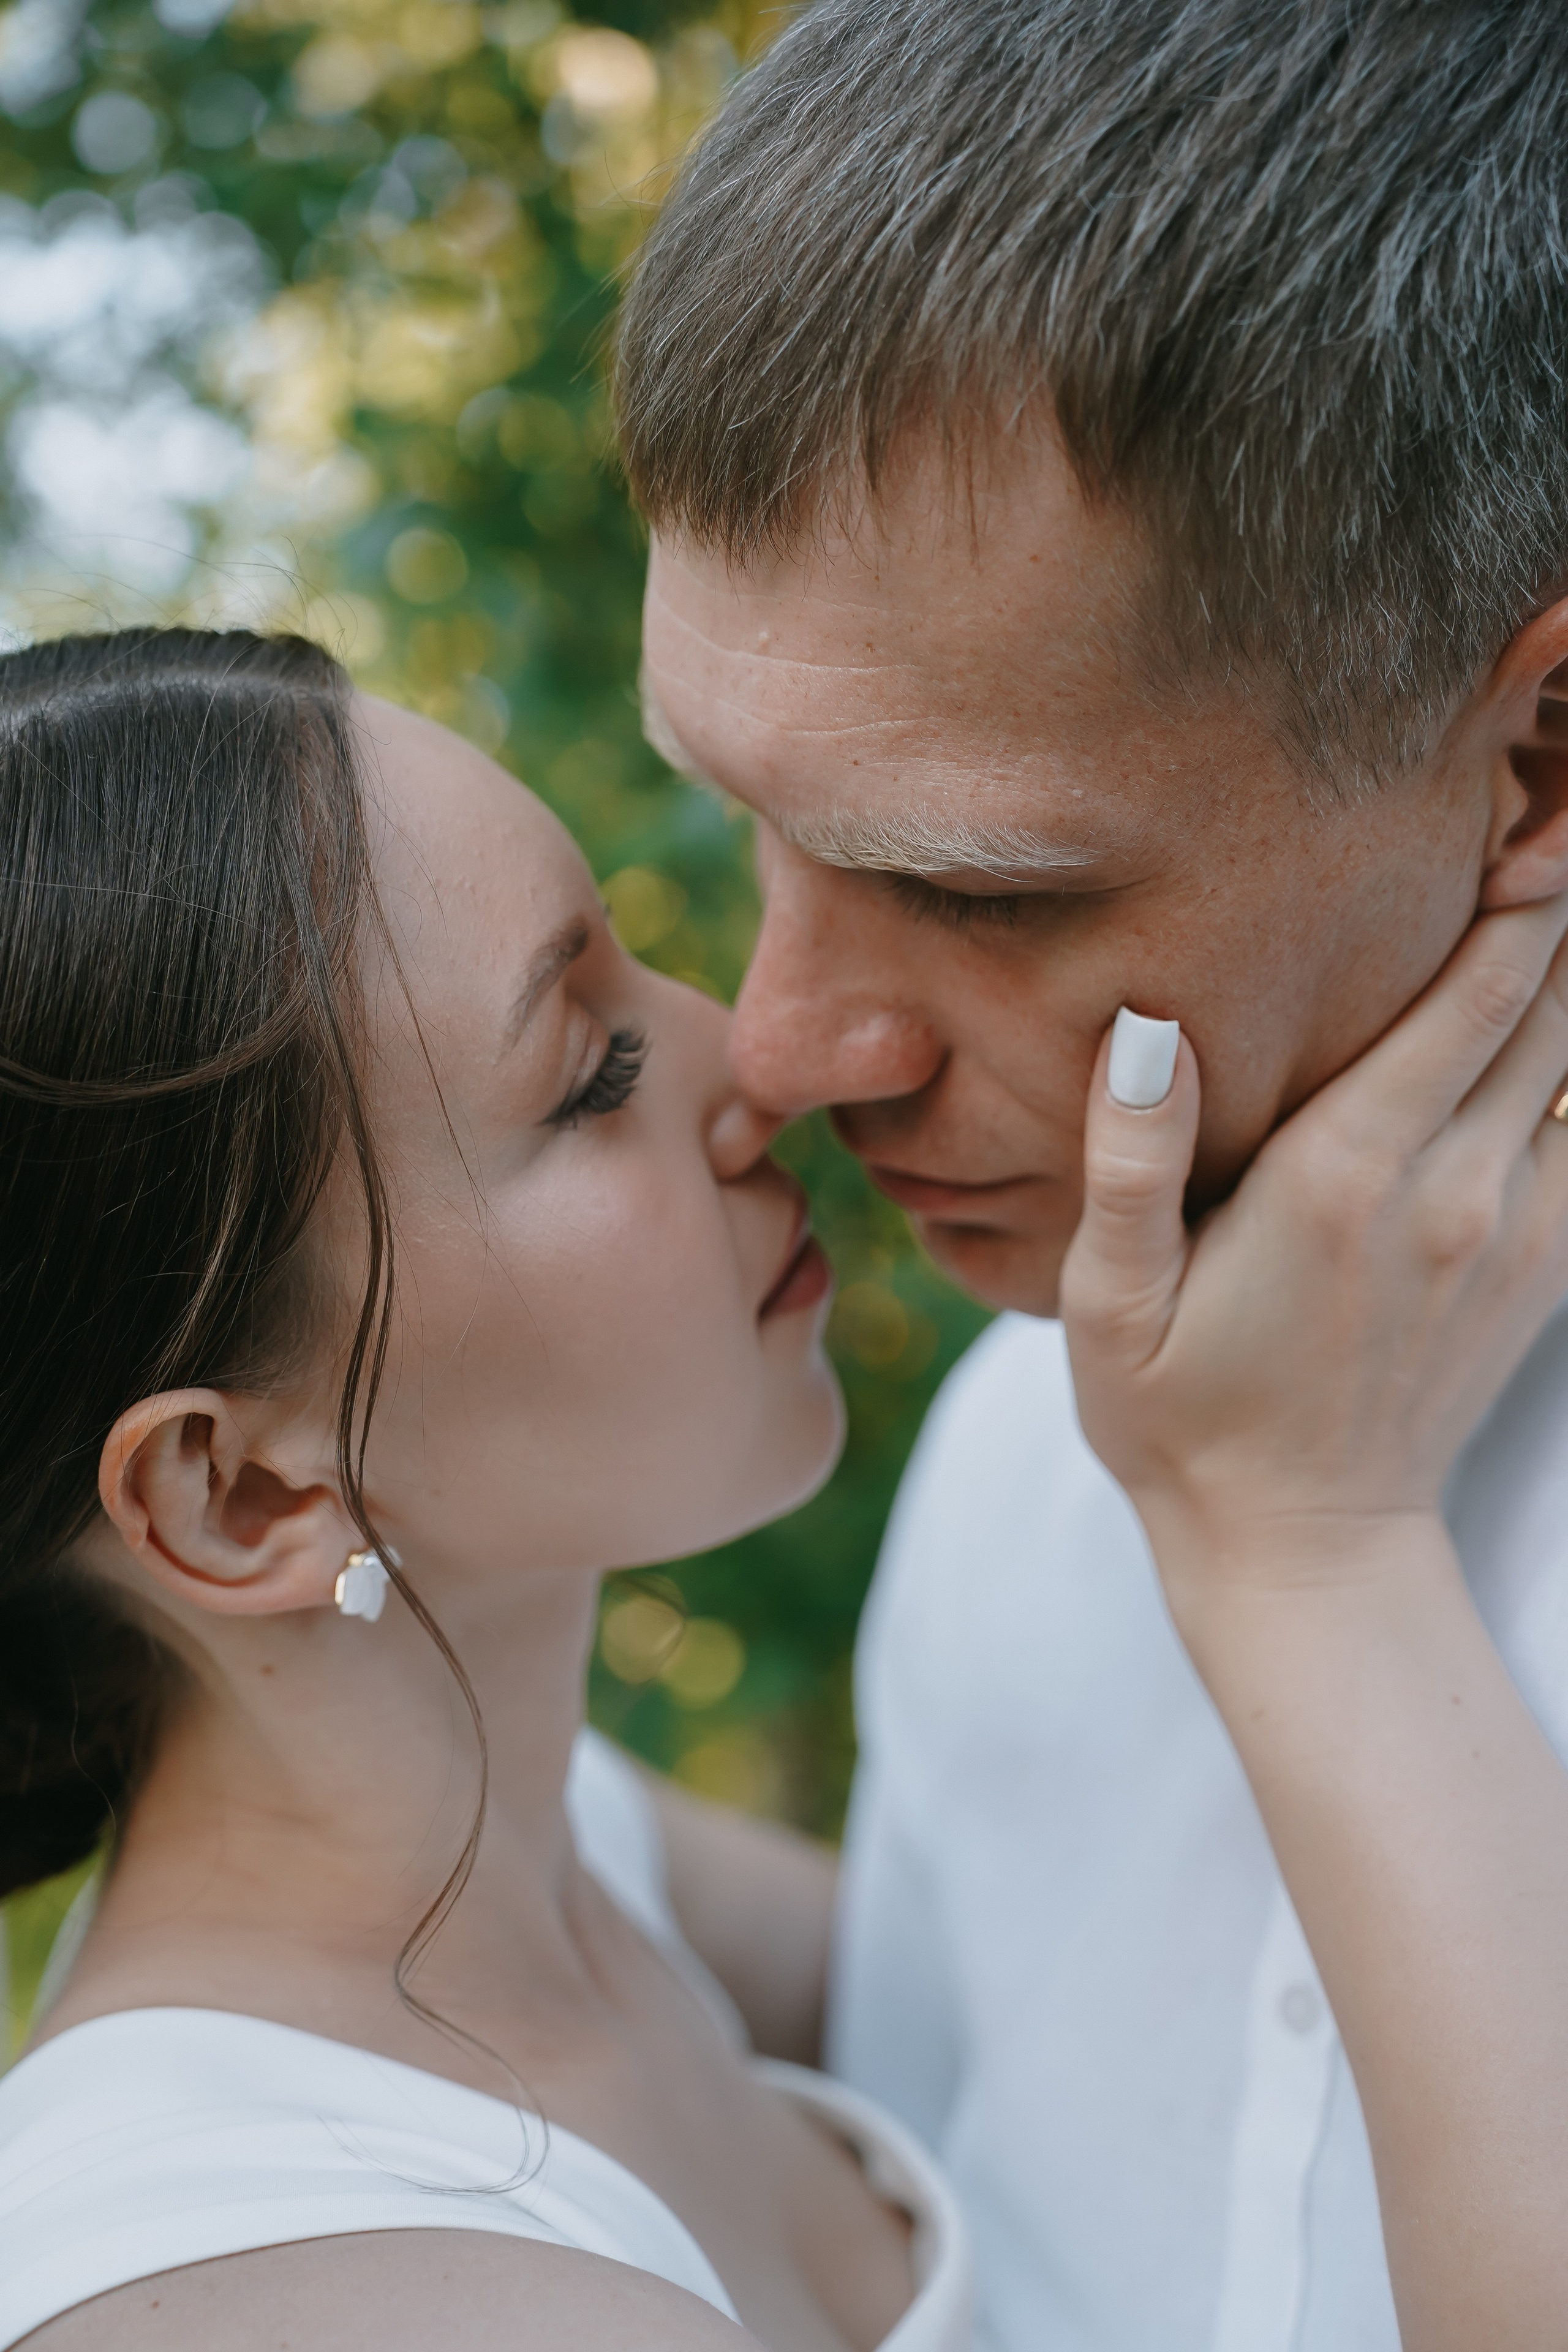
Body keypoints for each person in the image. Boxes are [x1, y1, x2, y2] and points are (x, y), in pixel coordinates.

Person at [611, 1, 1568, 2345]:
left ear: (1540, 756)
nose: (782, 1048)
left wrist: (1310, 1571)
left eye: (979, 890)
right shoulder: (1015, 1449)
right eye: (753, 823)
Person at [0, 629, 967, 2351]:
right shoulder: (297, 2292)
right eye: (593, 1074)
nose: (760, 1060)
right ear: (239, 1498)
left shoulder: (573, 1855)